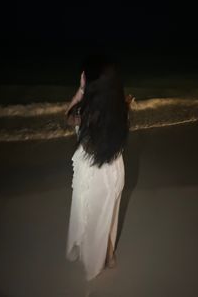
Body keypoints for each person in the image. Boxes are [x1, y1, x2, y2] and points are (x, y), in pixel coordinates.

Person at [65, 54, 130, 280]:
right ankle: (110, 256)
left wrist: (81, 91)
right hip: (116, 169)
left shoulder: (86, 113)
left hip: (95, 174)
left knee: (93, 219)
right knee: (109, 215)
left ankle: (97, 262)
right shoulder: (121, 105)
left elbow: (67, 117)